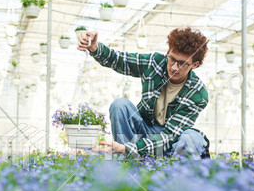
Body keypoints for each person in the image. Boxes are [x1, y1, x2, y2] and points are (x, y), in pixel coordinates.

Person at [77, 27, 210, 159]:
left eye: (182, 64)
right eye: (172, 59)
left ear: (195, 65)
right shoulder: (155, 63)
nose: (174, 67)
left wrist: (128, 148)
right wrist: (94, 47)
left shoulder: (197, 93)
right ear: (168, 52)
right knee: (120, 105)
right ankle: (127, 165)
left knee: (192, 138)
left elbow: (169, 136)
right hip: (144, 130)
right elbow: (119, 60)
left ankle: (177, 174)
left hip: (170, 141)